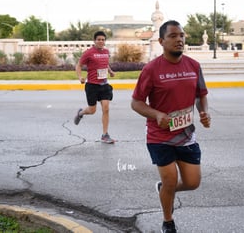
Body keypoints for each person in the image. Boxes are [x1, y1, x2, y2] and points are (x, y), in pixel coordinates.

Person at [131, 20, 211, 233]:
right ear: (161, 41)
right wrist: (156, 114)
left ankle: (164, 189)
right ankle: (168, 221)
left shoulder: (194, 66)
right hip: (159, 137)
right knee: (170, 179)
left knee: (193, 182)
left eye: (182, 36)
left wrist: (204, 111)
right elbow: (136, 102)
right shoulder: (151, 69)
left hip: (186, 136)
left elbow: (201, 95)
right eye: (173, 36)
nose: (179, 40)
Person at [74, 31, 116, 144]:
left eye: (103, 39)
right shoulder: (89, 53)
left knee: (106, 109)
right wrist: (80, 77)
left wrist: (111, 71)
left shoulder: (106, 52)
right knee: (92, 110)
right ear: (94, 40)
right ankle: (80, 113)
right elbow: (78, 65)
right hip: (92, 85)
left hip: (104, 85)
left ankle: (105, 135)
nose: (101, 41)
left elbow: (105, 63)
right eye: (99, 39)